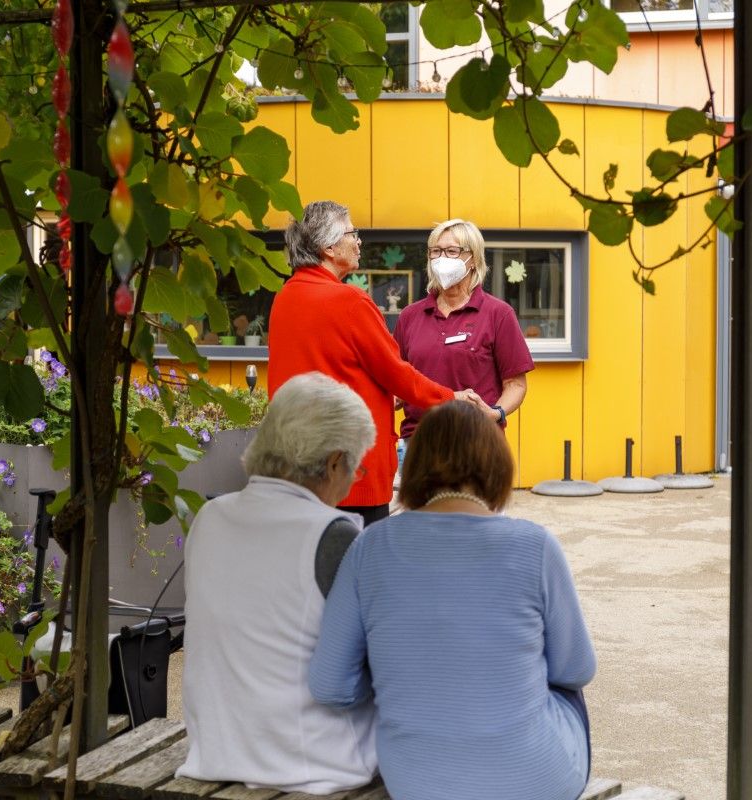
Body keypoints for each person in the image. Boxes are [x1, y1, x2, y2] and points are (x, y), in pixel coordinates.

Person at [309, 401, 596, 800]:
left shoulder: (370, 547)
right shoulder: (535, 546)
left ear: (416, 463)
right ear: (497, 464)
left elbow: (330, 686)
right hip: (536, 782)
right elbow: (576, 670)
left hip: (416, 783)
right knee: (561, 685)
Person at [176, 372, 378, 795]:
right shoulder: (333, 536)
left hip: (214, 752)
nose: (350, 482)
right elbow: (374, 668)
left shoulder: (210, 518)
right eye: (355, 469)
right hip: (315, 764)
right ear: (334, 462)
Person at [269, 200, 475, 527]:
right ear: (328, 247)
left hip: (299, 470)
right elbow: (396, 373)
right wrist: (451, 397)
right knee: (361, 572)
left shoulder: (285, 298)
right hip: (350, 476)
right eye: (353, 233)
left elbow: (325, 369)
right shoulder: (350, 301)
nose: (359, 241)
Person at [393, 218, 534, 440]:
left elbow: (515, 384)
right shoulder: (410, 316)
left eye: (451, 251)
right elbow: (398, 384)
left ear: (473, 258)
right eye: (435, 251)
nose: (441, 258)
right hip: (419, 443)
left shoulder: (498, 313)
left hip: (476, 440)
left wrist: (495, 413)